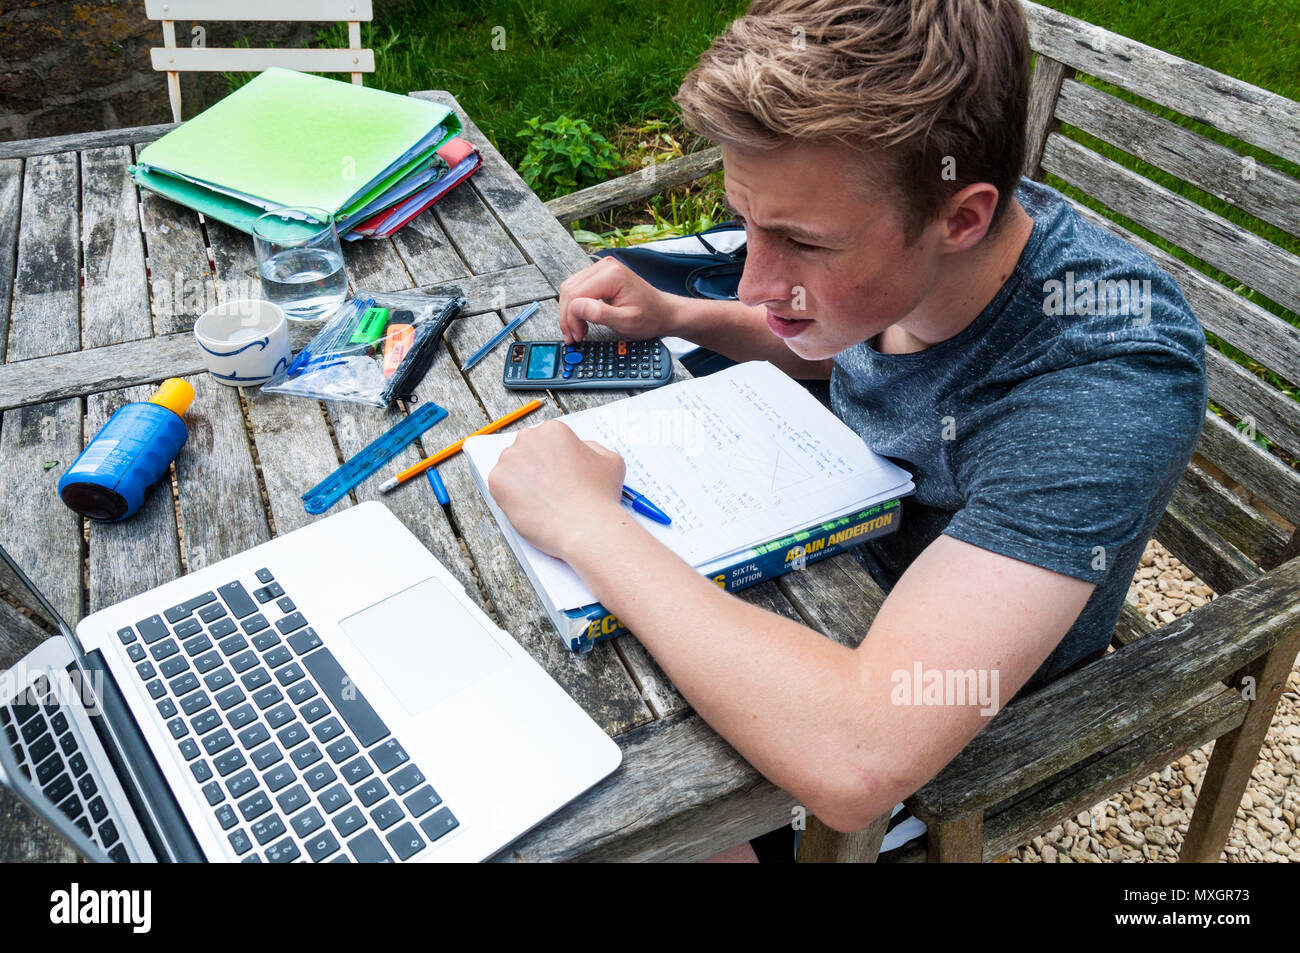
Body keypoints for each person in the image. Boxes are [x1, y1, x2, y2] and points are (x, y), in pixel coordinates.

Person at [487, 0, 1208, 860]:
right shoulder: (907, 238)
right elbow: (841, 346)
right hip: (816, 549)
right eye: (748, 224)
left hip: (935, 697)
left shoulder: (1108, 380)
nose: (757, 281)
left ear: (963, 219)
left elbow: (861, 752)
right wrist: (683, 313)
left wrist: (586, 521)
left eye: (800, 241)